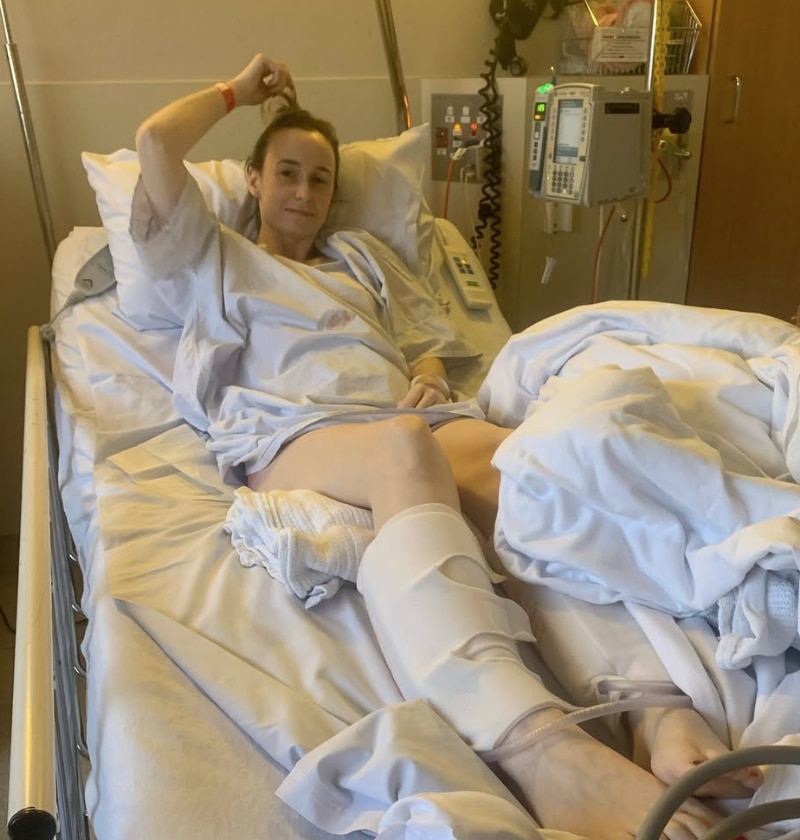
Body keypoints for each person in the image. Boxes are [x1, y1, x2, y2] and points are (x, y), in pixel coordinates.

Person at [132, 52, 760, 840]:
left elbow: (426, 341)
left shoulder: (362, 259)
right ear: (253, 180)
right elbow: (156, 143)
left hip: (408, 414)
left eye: (321, 179)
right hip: (291, 429)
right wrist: (237, 90)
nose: (303, 192)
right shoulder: (214, 255)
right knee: (401, 450)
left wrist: (427, 374)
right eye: (286, 173)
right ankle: (538, 748)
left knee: (531, 477)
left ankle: (650, 707)